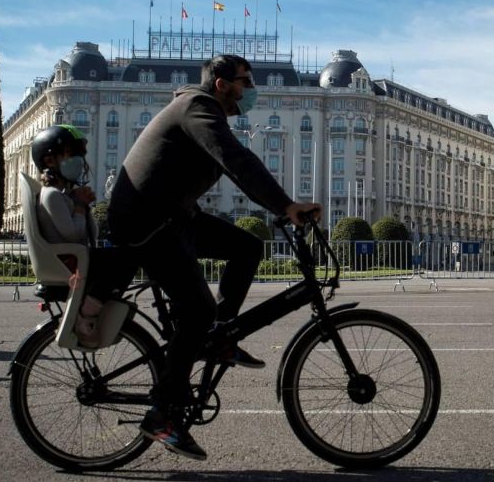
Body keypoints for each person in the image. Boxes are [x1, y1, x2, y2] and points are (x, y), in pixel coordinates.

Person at [108, 54, 321, 460]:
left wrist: (278, 206)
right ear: (222, 84)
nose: (251, 90)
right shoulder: (197, 107)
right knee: (197, 311)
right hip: (147, 223)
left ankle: (218, 338)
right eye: (246, 82)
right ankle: (161, 414)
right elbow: (236, 160)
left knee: (247, 247)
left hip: (173, 217)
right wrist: (286, 205)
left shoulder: (205, 111)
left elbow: (234, 165)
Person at [30, 125, 128, 346]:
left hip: (75, 258)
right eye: (70, 154)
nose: (78, 161)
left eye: (79, 155)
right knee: (124, 259)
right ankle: (87, 314)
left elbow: (90, 231)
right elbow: (73, 234)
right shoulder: (52, 195)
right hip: (70, 262)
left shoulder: (63, 195)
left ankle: (99, 305)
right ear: (49, 160)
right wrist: (80, 206)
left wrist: (80, 204)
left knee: (125, 258)